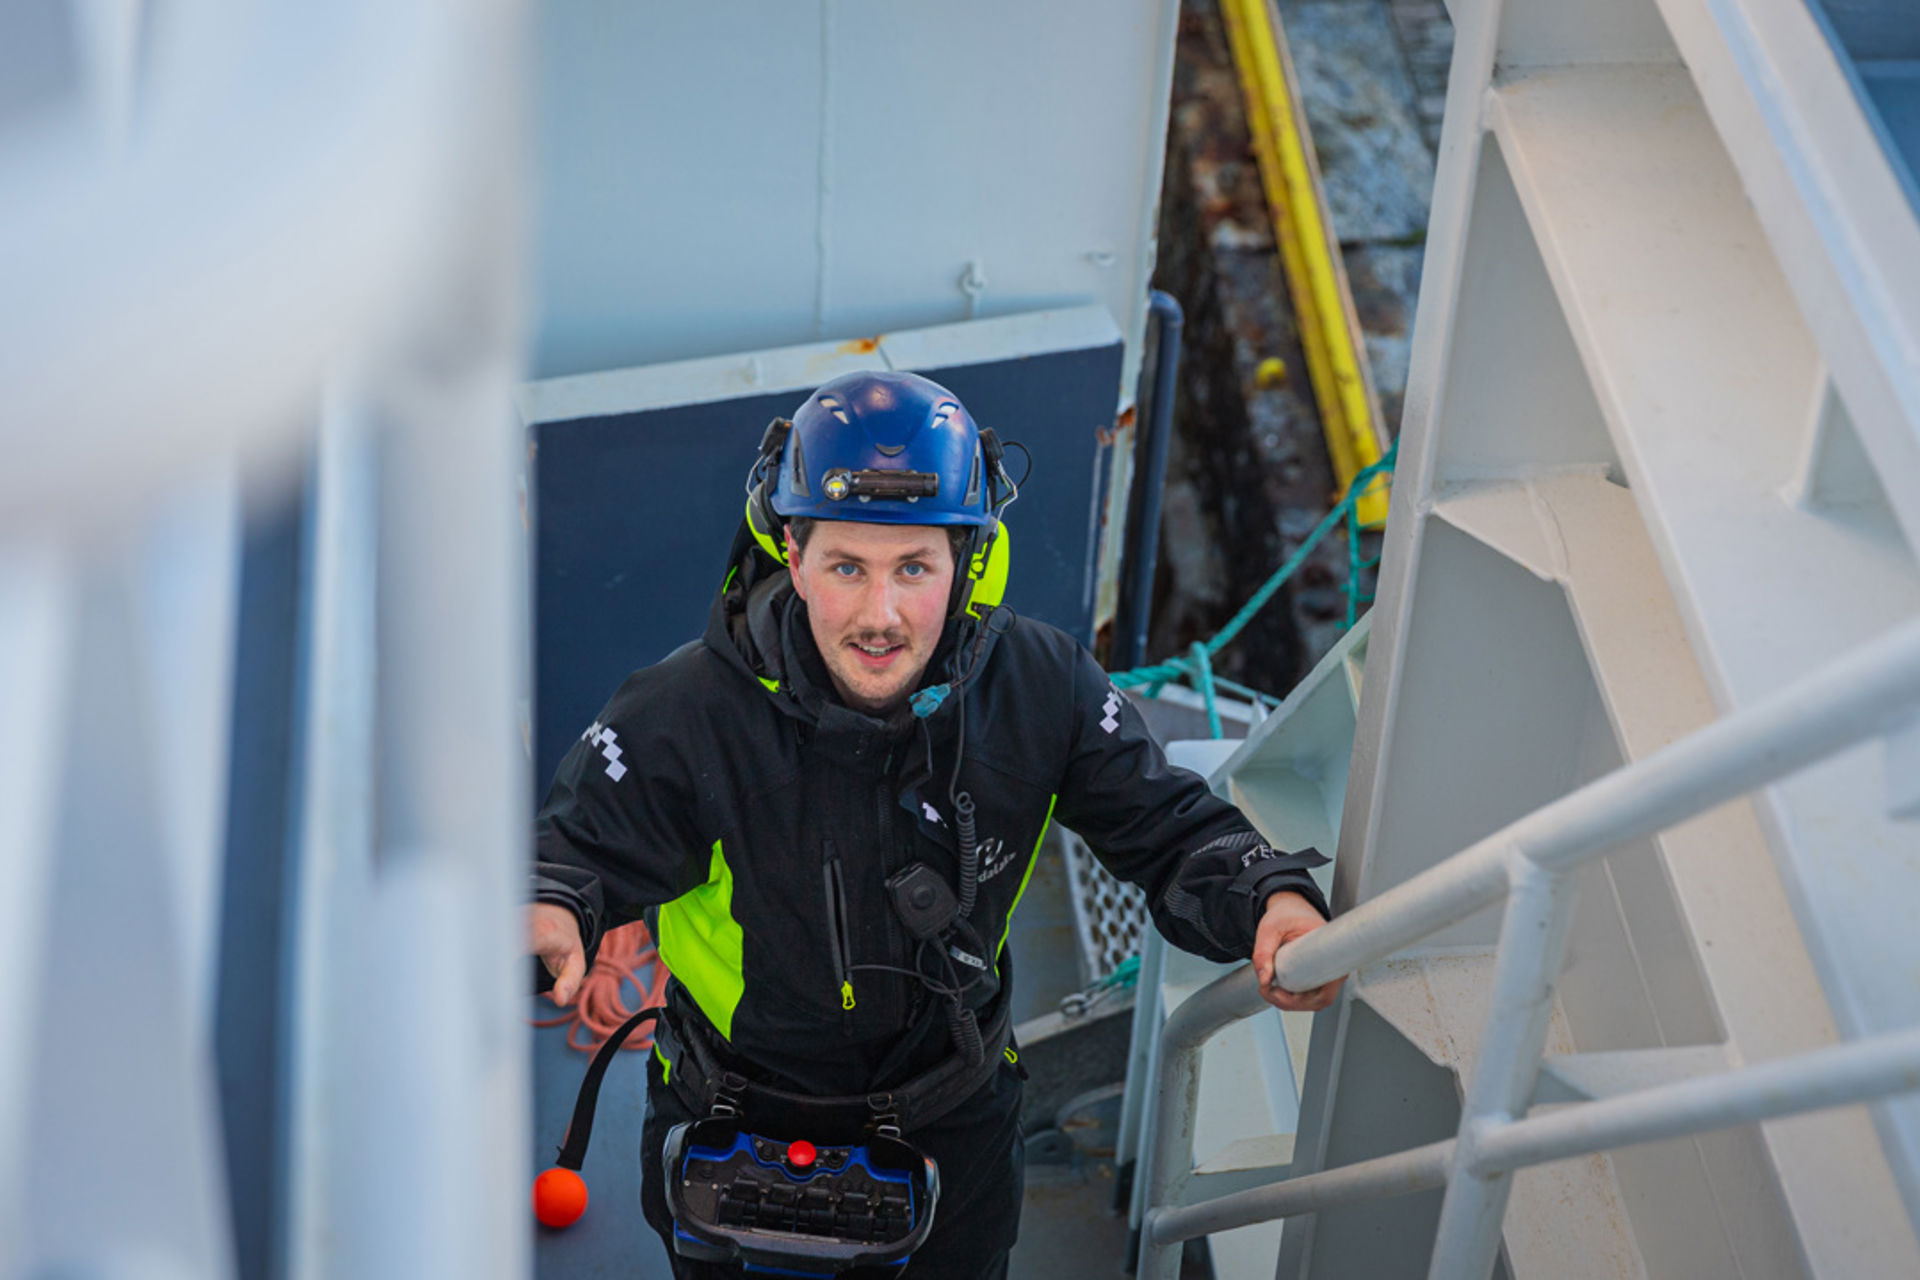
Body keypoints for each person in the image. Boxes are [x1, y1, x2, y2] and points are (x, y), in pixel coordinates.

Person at [528, 369, 1341, 1278]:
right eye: (847, 568)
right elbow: (575, 848)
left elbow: (1170, 826)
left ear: (964, 563)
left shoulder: (1044, 687)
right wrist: (551, 906)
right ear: (792, 556)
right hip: (731, 1130)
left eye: (914, 567)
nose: (881, 616)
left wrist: (1267, 892)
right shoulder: (680, 713)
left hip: (952, 1129)